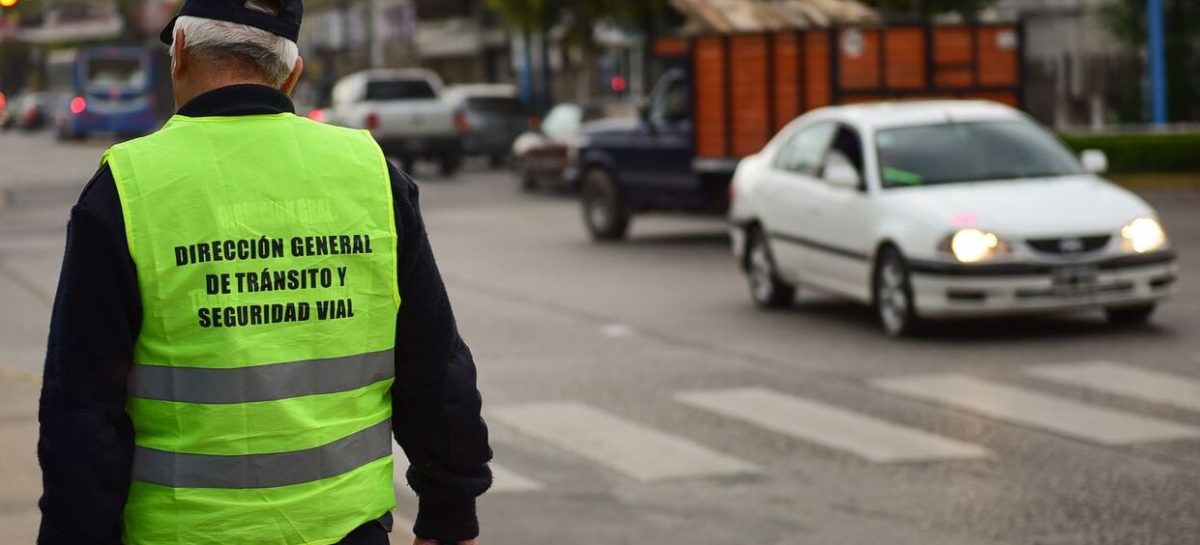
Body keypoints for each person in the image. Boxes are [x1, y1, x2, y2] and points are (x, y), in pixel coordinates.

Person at [36, 1, 492, 544]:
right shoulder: (371, 174)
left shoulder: (128, 187)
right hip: (347, 532)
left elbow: (81, 408)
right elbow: (436, 367)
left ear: (179, 52)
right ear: (292, 72)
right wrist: (450, 510)